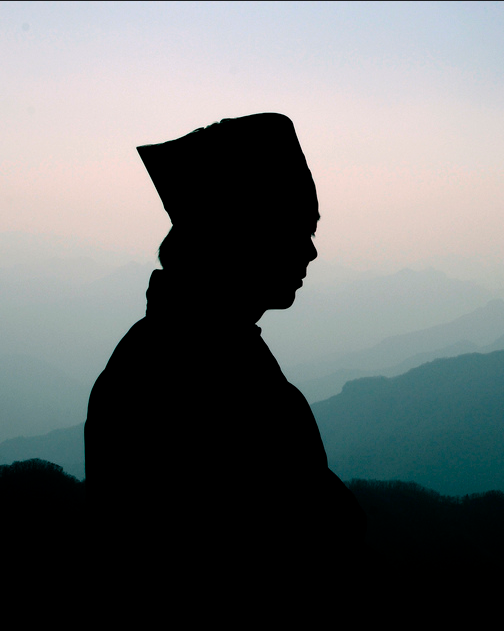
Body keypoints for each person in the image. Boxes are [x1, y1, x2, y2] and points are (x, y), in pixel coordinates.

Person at [85, 113, 365, 607]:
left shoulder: (195, 355)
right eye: (296, 228)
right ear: (238, 235)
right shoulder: (195, 375)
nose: (311, 252)